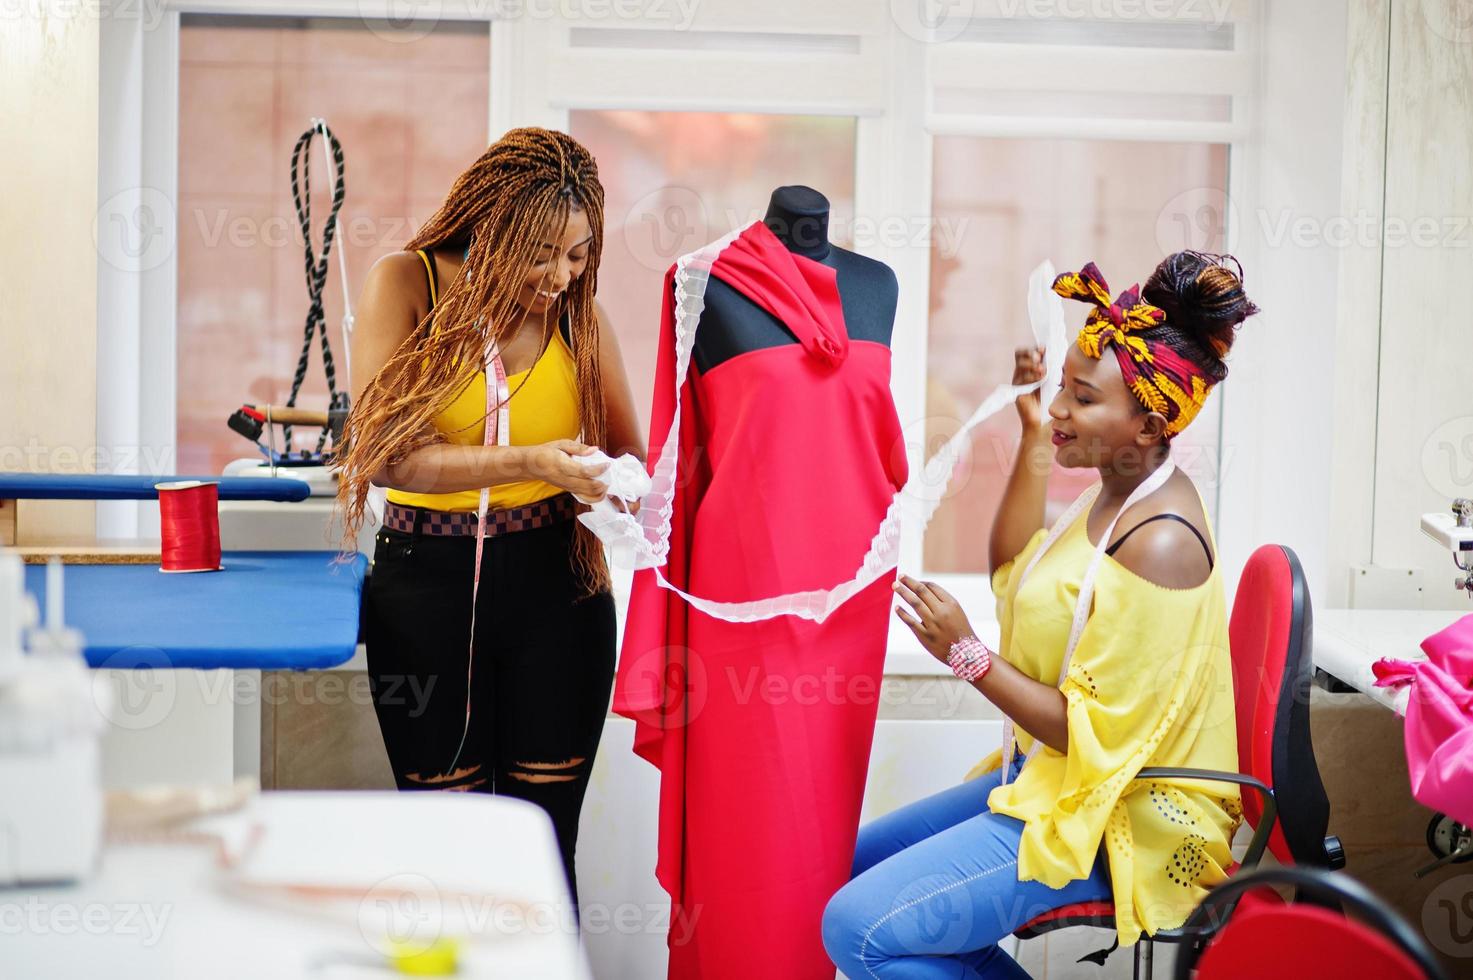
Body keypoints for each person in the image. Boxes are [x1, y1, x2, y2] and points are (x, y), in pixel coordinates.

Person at [822, 251, 1259, 978]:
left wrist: (967, 655)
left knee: (860, 930)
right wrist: (1031, 436)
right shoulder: (1114, 490)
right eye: (1061, 388)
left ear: (1147, 424)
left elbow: (1099, 740)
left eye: (1080, 398)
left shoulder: (1157, 542)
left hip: (1125, 816)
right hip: (1061, 776)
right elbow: (1014, 567)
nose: (1059, 408)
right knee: (848, 872)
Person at [335, 128, 644, 910]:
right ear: (491, 222)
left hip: (559, 590)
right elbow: (390, 457)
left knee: (544, 837)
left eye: (578, 254)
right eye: (542, 251)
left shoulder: (581, 317)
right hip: (425, 589)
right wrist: (534, 461)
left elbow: (630, 456)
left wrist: (614, 484)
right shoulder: (407, 284)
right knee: (448, 838)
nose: (562, 274)